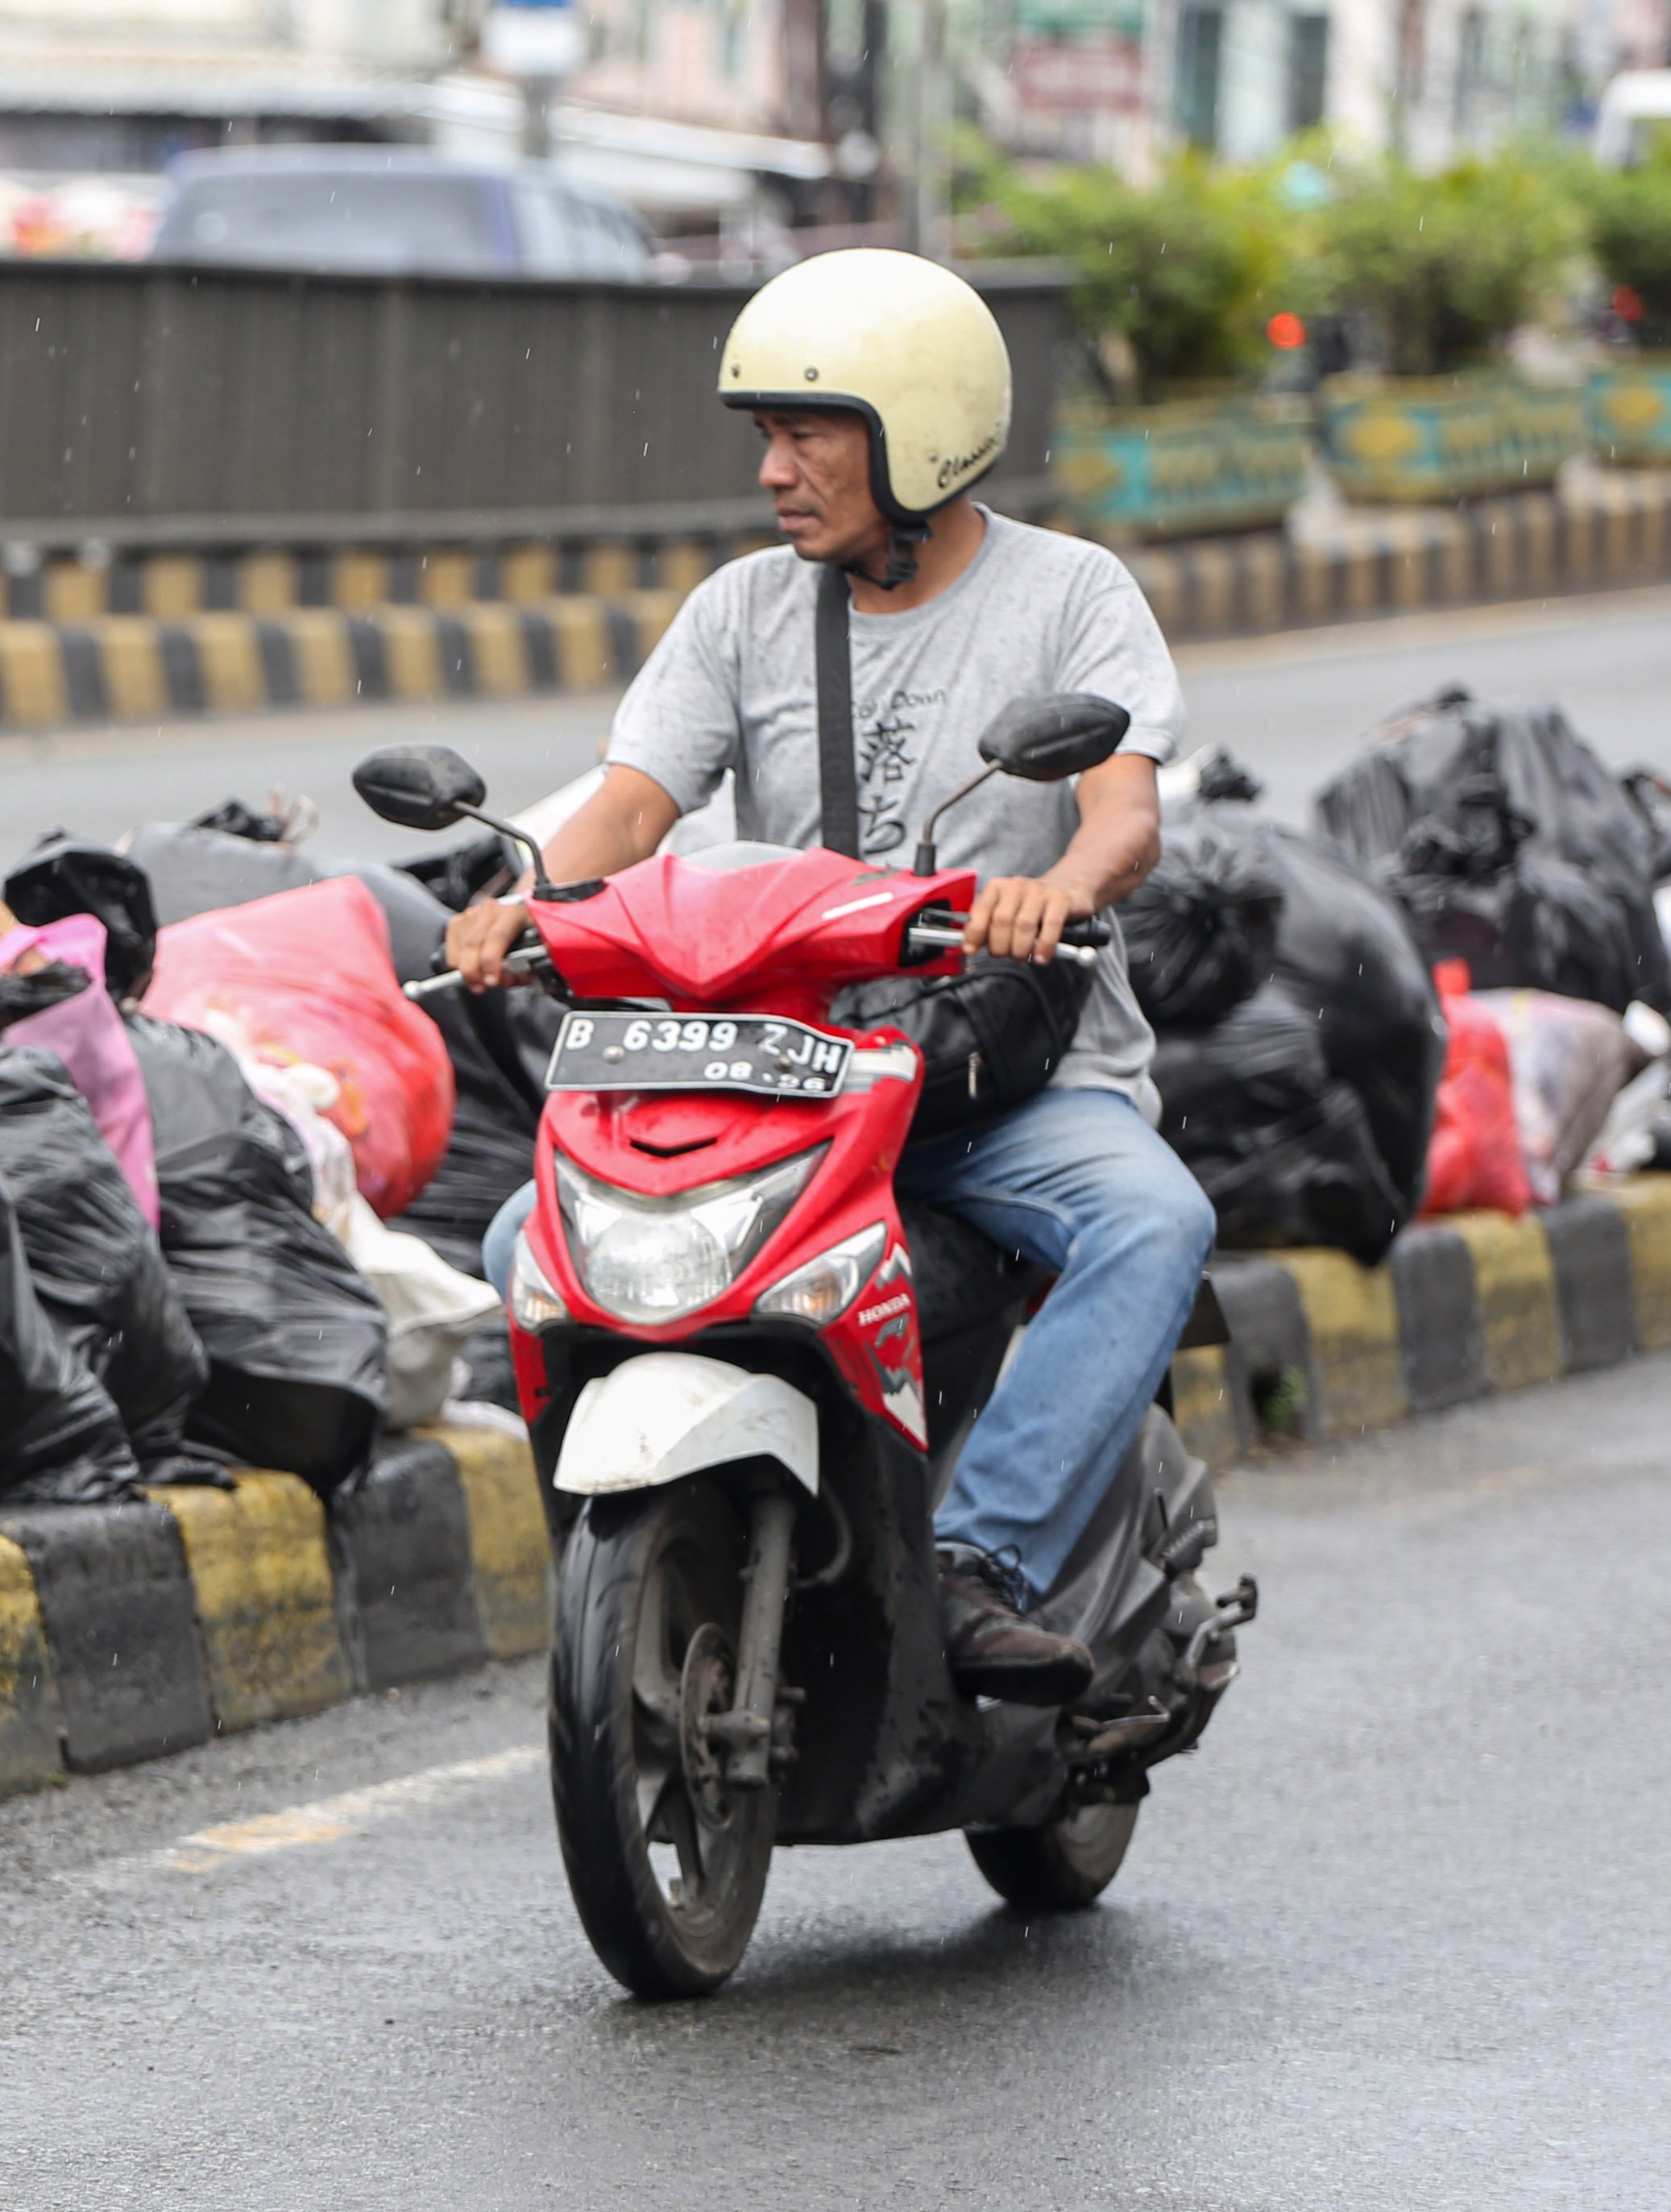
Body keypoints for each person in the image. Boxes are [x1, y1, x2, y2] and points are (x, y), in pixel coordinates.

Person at [450, 249, 1214, 1705]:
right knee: (519, 1248)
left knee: (1151, 1221)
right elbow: (624, 811)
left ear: (917, 432)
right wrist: (521, 900)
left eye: (810, 432)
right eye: (765, 436)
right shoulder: (741, 611)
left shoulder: (1070, 596)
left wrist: (1052, 891)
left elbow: (1122, 810)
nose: (776, 471)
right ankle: (644, 1557)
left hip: (1010, 1070)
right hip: (787, 1074)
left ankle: (981, 1558)